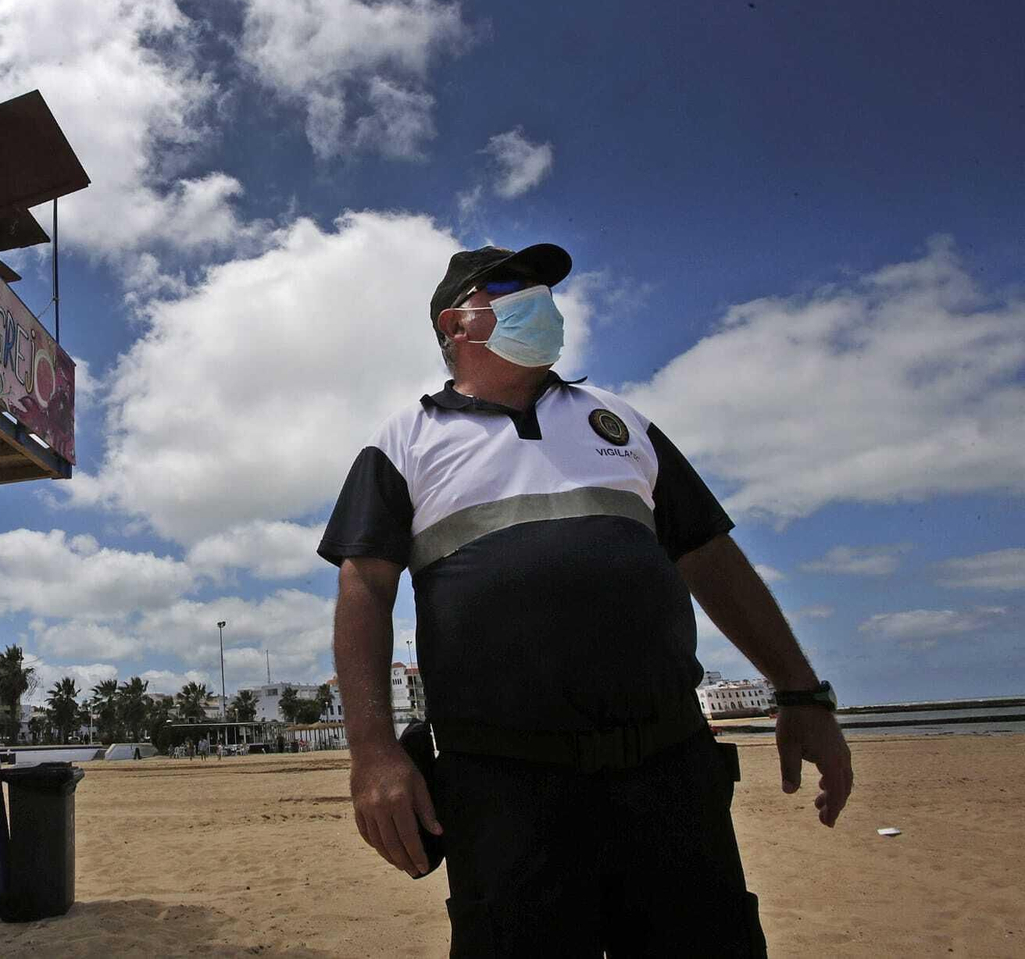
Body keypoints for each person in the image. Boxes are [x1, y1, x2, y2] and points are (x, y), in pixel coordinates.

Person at [320, 244, 853, 957]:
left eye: (542, 287)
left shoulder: (622, 422)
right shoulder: (405, 442)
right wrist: (374, 752)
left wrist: (801, 694)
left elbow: (710, 556)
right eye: (509, 288)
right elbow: (363, 590)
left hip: (668, 774)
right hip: (504, 788)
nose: (537, 298)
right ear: (455, 323)